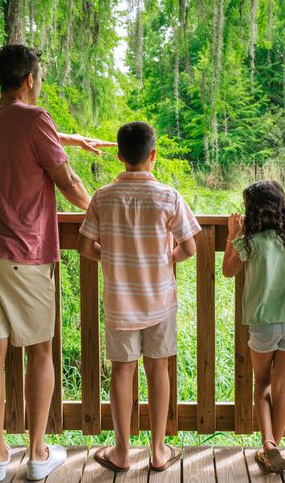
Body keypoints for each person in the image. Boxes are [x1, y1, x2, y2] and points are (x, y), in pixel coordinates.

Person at [0, 45, 115, 482]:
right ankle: (37, 453)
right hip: (23, 253)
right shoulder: (34, 119)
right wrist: (97, 215)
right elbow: (65, 178)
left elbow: (16, 141)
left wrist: (69, 138)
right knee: (40, 349)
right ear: (30, 79)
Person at [78, 121, 200, 473]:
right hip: (159, 299)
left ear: (119, 156)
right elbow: (190, 246)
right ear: (153, 155)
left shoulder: (102, 196)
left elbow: (85, 245)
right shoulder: (168, 196)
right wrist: (168, 259)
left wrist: (111, 258)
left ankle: (120, 452)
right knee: (158, 368)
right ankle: (159, 451)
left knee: (122, 370)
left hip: (120, 300)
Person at [221, 180, 285, 474]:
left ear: (253, 209)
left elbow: (228, 271)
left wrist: (232, 235)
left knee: (262, 385)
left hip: (263, 323)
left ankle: (269, 445)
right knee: (282, 385)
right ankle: (274, 446)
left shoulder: (251, 241)